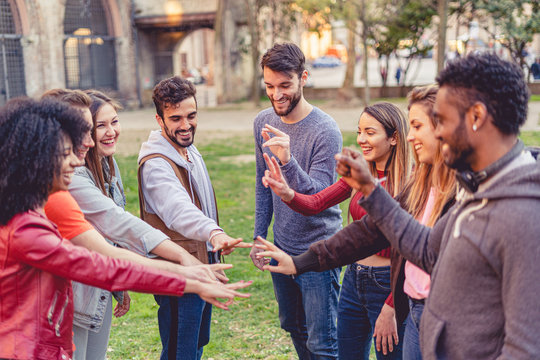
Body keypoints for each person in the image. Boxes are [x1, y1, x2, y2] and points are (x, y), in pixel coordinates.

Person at [322, 53, 540, 358]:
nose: (435, 132)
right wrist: (370, 189)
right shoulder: (480, 188)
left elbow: (524, 348)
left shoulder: (524, 215)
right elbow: (427, 249)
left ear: (476, 117)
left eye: (443, 121)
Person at [0, 98, 250, 360]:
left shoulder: (30, 215)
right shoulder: (25, 231)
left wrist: (188, 273)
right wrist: (187, 281)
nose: (75, 161)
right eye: (65, 154)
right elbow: (102, 265)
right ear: (33, 160)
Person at [258, 85, 457, 359]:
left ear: (393, 138)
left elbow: (417, 252)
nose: (362, 139)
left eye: (370, 132)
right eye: (359, 132)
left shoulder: (422, 185)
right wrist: (288, 196)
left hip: (395, 288)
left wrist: (391, 305)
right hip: (356, 278)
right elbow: (358, 230)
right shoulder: (376, 179)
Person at [66, 90, 238, 360]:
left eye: (115, 121)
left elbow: (112, 239)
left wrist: (116, 287)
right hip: (70, 295)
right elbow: (120, 225)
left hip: (96, 289)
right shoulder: (74, 179)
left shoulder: (107, 167)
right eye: (99, 126)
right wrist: (184, 261)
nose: (110, 132)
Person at [137, 76, 250, 360]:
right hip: (176, 273)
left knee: (196, 345)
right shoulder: (156, 165)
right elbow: (179, 211)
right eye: (175, 118)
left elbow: (204, 205)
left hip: (201, 267)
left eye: (191, 115)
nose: (186, 125)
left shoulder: (187, 149)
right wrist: (214, 234)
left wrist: (214, 260)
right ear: (159, 120)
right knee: (180, 352)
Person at [249, 42, 343, 359]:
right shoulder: (263, 122)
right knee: (292, 325)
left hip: (318, 249)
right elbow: (264, 187)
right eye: (270, 86)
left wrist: (288, 161)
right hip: (281, 246)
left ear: (303, 78)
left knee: (323, 340)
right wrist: (259, 237)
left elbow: (319, 196)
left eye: (285, 85)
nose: (277, 95)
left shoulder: (326, 130)